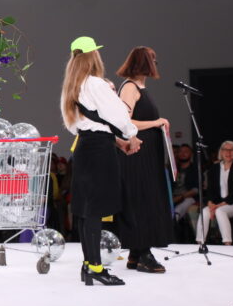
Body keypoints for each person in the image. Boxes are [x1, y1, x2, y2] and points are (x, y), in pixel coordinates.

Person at [61, 36, 140, 286]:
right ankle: (96, 268)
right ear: (93, 56)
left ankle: (89, 265)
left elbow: (73, 126)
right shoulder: (96, 84)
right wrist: (131, 135)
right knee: (95, 210)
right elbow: (119, 115)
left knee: (87, 210)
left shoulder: (72, 87)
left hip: (84, 147)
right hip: (100, 149)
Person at [115, 46, 173, 273]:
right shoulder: (130, 87)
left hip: (147, 154)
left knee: (145, 199)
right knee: (142, 200)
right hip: (137, 154)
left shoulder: (139, 87)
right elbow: (124, 121)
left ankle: (136, 253)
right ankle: (144, 254)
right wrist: (156, 122)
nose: (156, 64)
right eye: (153, 59)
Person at [196, 140, 233, 245]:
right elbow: (210, 189)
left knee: (220, 211)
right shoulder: (214, 168)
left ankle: (227, 244)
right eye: (225, 150)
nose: (228, 153)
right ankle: (200, 243)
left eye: (232, 150)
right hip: (217, 203)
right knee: (205, 212)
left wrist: (218, 206)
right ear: (221, 152)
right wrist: (210, 203)